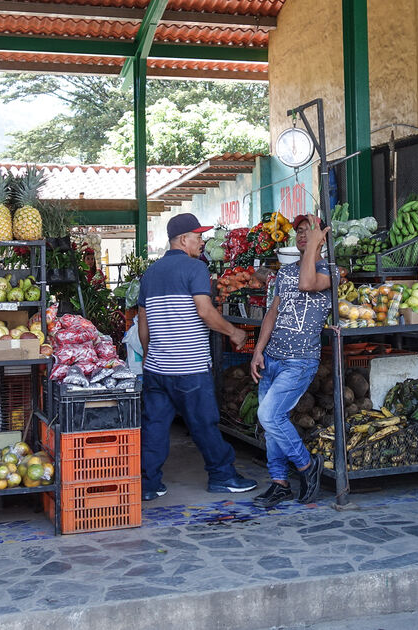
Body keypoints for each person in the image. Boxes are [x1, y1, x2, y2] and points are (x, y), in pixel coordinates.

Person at [137, 213, 258, 502]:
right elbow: (204, 311)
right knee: (204, 422)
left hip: (157, 367)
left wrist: (148, 356)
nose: (202, 242)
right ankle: (223, 476)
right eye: (198, 236)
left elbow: (143, 323)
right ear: (183, 240)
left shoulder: (150, 274)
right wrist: (234, 332)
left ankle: (147, 484)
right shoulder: (195, 269)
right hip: (189, 366)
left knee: (154, 426)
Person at [247, 215, 330, 508]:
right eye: (299, 233)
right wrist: (259, 350)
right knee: (272, 424)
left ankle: (307, 466)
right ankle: (280, 482)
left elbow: (308, 283)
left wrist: (314, 248)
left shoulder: (331, 271)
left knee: (269, 416)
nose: (302, 236)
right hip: (273, 358)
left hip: (299, 361)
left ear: (322, 236)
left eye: (309, 231)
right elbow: (272, 312)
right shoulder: (284, 273)